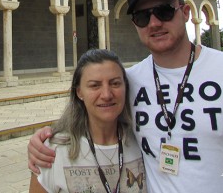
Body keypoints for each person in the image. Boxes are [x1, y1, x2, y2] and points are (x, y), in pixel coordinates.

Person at [28, 0, 223, 193]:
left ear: (184, 11)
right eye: (143, 16)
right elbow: (92, 115)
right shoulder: (129, 82)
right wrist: (44, 140)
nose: (154, 22)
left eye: (164, 11)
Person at [29, 48, 146, 193]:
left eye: (115, 83)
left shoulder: (142, 142)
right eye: (94, 85)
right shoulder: (53, 151)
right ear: (79, 92)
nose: (106, 94)